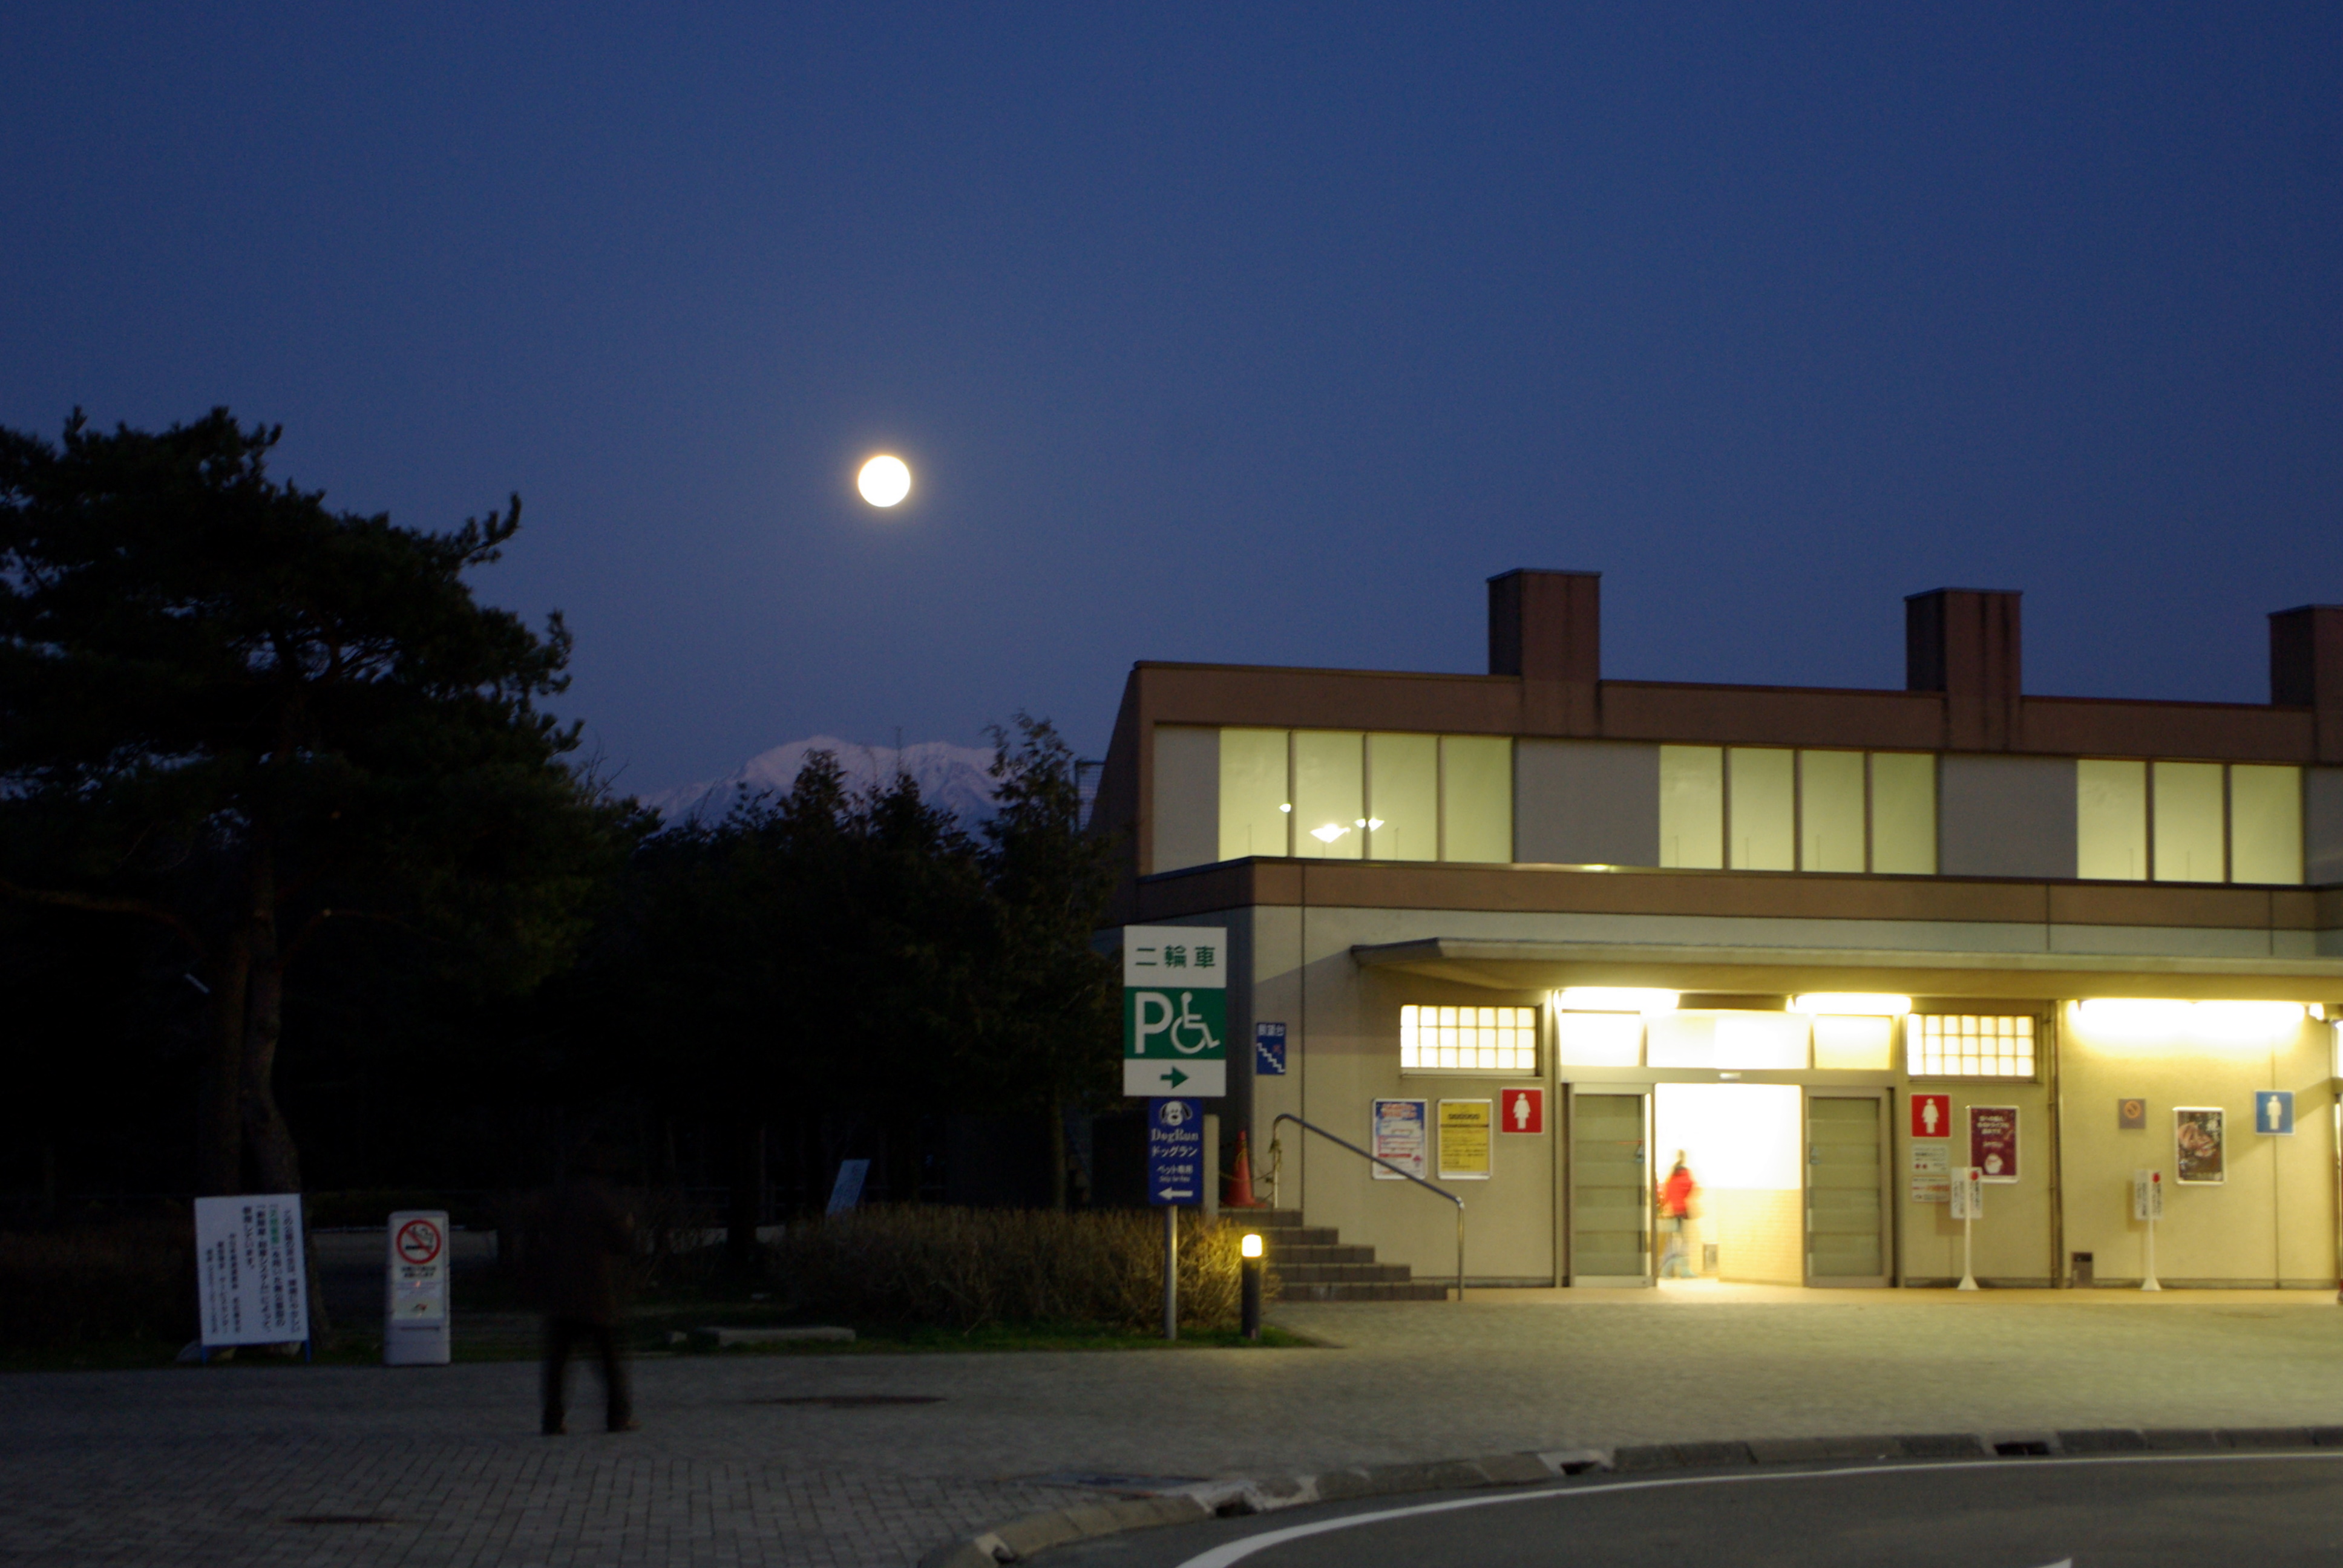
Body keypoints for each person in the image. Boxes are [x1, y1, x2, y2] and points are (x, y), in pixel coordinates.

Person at [520, 1155, 638, 1434]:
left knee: (557, 1364)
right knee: (609, 1362)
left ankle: (552, 1419)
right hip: (596, 1295)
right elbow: (623, 1243)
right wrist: (629, 1225)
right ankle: (617, 1417)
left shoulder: (554, 1200)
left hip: (560, 1294)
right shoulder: (602, 1201)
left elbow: (533, 1241)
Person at [1657, 1152, 1698, 1278]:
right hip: (1682, 1212)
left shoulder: (1672, 1177)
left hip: (1672, 1212)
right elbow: (1691, 1186)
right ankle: (1683, 1270)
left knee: (1672, 1242)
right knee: (1683, 1242)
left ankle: (1666, 1270)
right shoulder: (1686, 1175)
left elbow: (1667, 1193)